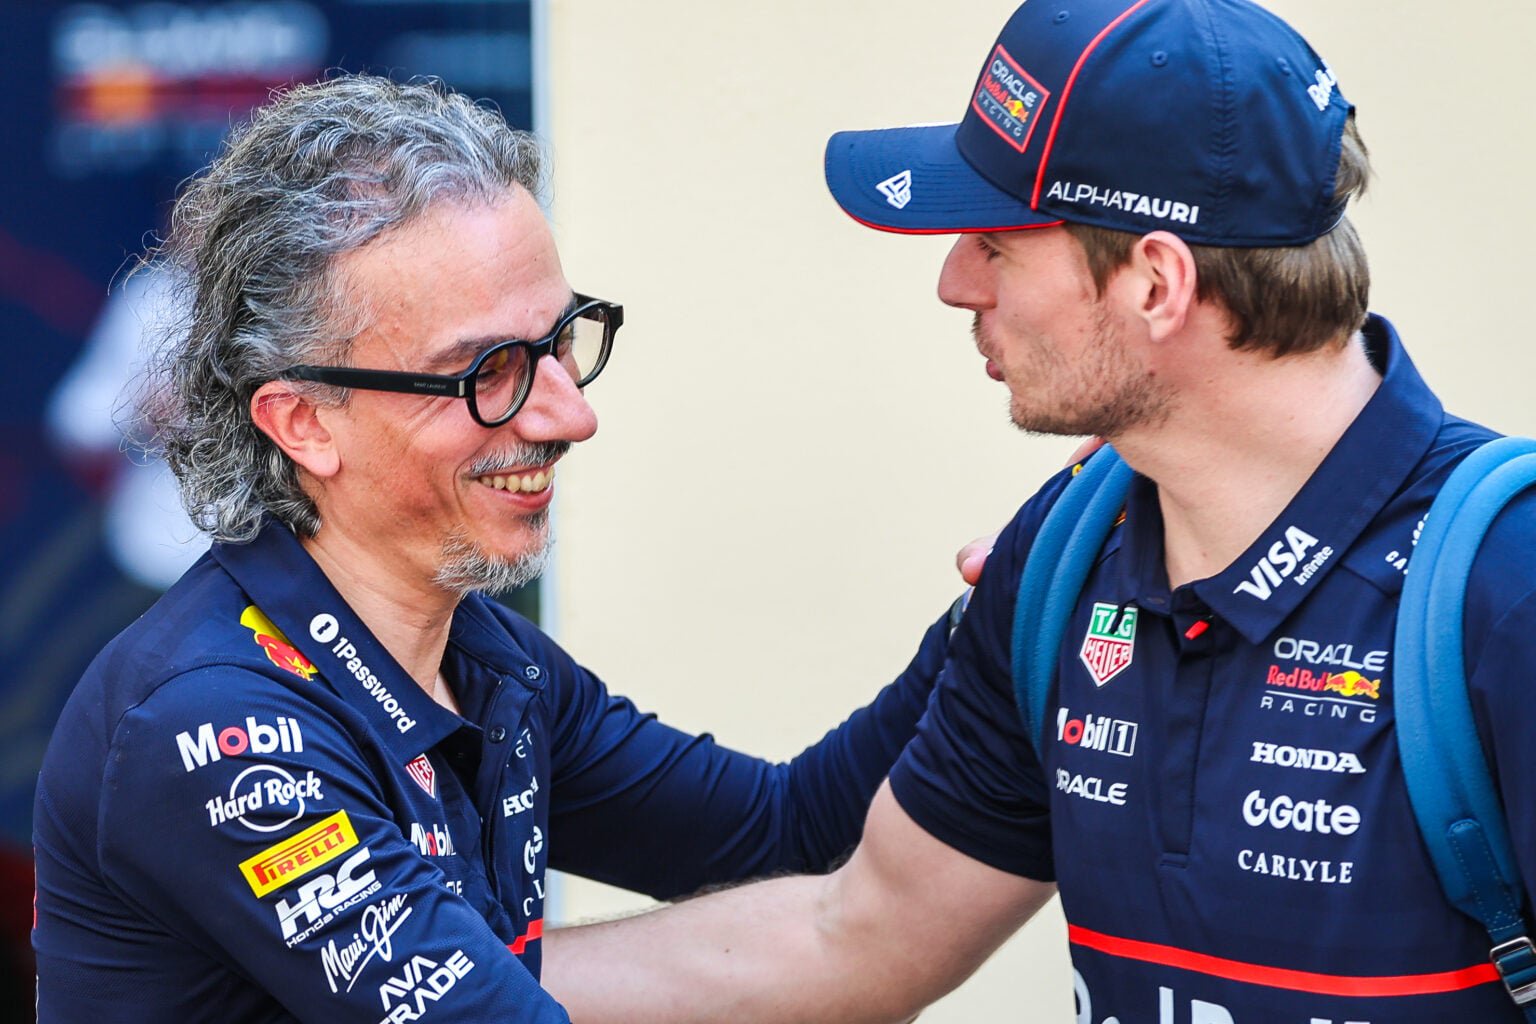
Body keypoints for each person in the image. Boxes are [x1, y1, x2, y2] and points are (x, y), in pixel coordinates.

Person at [538, 1, 1536, 1022]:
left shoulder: (1505, 588)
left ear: (1157, 283)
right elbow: (853, 935)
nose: (953, 281)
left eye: (999, 242)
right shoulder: (1064, 560)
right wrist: (413, 979)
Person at [30, 75, 956, 1023]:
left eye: (561, 342)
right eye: (489, 373)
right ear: (303, 421)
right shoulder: (217, 726)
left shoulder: (474, 656)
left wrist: (1013, 596)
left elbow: (787, 830)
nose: (573, 414)